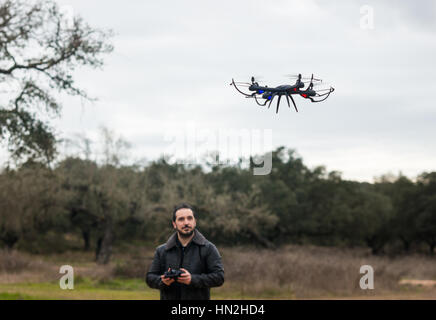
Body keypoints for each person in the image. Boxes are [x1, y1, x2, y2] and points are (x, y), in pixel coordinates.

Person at [146, 203, 224, 300]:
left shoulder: (209, 248)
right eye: (181, 219)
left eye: (189, 218)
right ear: (174, 224)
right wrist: (162, 281)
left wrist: (192, 279)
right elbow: (150, 278)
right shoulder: (162, 251)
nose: (186, 222)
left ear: (195, 221)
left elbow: (219, 277)